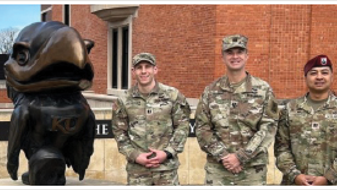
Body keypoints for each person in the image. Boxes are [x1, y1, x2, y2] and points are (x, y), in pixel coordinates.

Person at [194, 34, 279, 185]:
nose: (235, 56)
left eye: (239, 52)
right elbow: (202, 128)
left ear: (247, 55)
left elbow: (269, 127)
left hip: (252, 170)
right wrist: (224, 156)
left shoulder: (263, 90)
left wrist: (240, 157)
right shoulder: (210, 91)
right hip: (219, 169)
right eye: (230, 52)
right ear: (223, 57)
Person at [274, 55, 337, 186]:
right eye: (313, 73)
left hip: (333, 184)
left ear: (332, 77)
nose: (319, 77)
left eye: (324, 72)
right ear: (306, 77)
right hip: (294, 183)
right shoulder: (289, 110)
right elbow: (281, 148)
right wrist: (295, 175)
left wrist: (328, 178)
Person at [112, 52, 191, 185]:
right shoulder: (123, 100)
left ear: (155, 69)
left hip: (166, 171)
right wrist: (135, 156)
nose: (143, 71)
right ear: (133, 71)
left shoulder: (172, 95)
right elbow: (119, 133)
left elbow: (182, 126)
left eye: (147, 66)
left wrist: (167, 152)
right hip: (138, 172)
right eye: (139, 67)